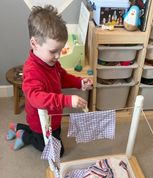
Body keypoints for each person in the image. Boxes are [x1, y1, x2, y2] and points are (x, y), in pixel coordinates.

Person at [5, 5, 93, 156]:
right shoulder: (32, 70)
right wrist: (67, 100)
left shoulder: (52, 62)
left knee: (55, 136)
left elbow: (62, 77)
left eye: (60, 50)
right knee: (57, 152)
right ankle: (23, 135)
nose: (58, 56)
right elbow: (36, 99)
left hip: (54, 117)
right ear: (34, 44)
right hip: (40, 122)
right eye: (53, 51)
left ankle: (18, 127)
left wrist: (79, 82)